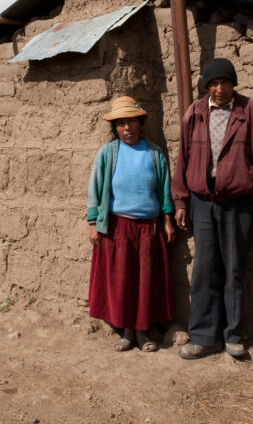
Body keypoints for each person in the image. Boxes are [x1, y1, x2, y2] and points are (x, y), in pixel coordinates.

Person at [172, 58, 253, 359]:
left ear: (233, 83)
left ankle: (232, 335)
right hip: (202, 203)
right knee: (205, 270)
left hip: (239, 204)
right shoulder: (195, 114)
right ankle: (204, 337)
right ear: (207, 86)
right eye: (213, 84)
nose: (219, 89)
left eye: (224, 83)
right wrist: (181, 201)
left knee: (234, 270)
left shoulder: (252, 112)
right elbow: (183, 160)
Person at [87, 96, 176, 352]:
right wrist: (93, 224)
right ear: (115, 128)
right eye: (121, 123)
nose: (127, 128)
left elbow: (164, 190)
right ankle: (126, 331)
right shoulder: (107, 154)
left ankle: (143, 331)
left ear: (141, 124)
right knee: (122, 281)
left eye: (132, 122)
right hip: (118, 228)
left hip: (149, 227)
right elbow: (94, 189)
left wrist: (167, 219)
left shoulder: (154, 153)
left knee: (145, 281)